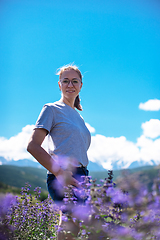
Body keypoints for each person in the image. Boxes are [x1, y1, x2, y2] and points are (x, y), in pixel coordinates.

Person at [27, 64, 91, 240]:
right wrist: (61, 174)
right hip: (62, 173)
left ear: (81, 86)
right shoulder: (51, 109)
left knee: (77, 227)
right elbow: (33, 146)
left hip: (82, 175)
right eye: (66, 81)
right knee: (69, 224)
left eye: (75, 81)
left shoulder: (79, 116)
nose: (70, 85)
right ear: (59, 85)